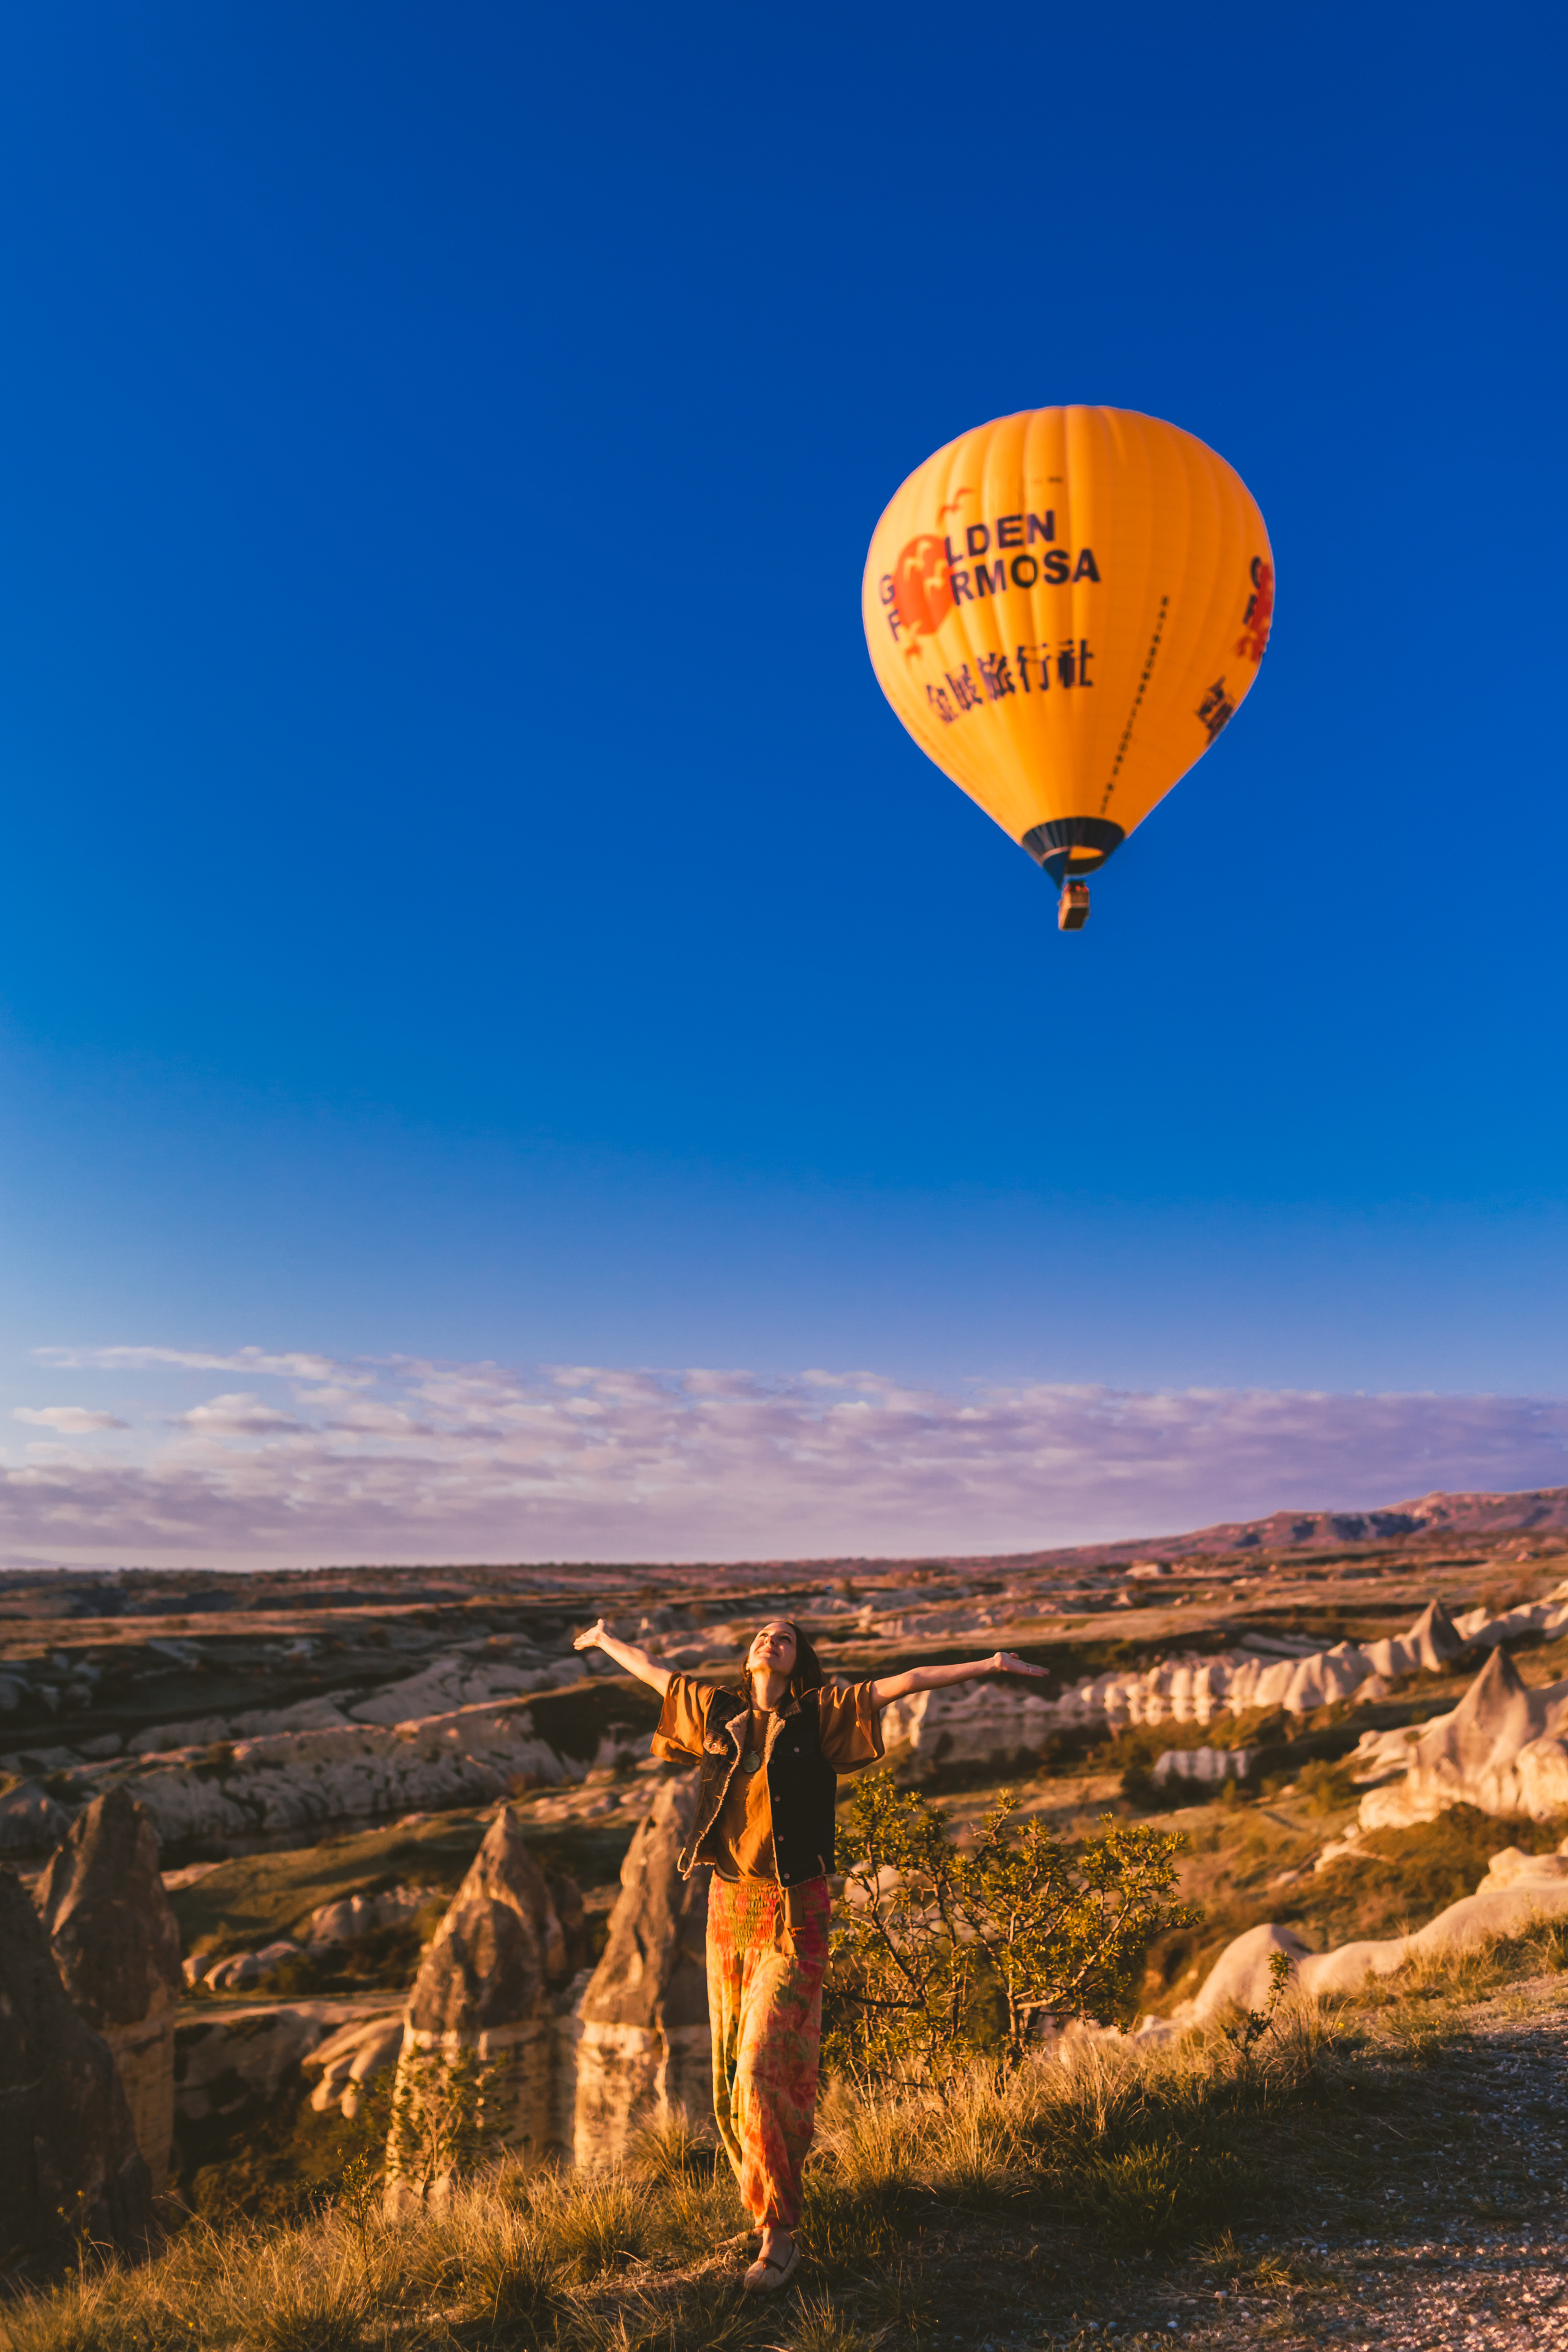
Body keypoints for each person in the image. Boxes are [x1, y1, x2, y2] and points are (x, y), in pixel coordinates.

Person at [573, 1612, 1046, 2293]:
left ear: (799, 1661)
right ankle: (763, 2201)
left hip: (795, 1910)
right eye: (763, 1633)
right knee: (729, 2077)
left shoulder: (819, 1714)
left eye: (786, 1637)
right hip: (727, 1909)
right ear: (749, 1654)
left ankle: (780, 2236)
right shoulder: (717, 1712)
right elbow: (655, 1674)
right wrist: (603, 1641)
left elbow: (904, 1682)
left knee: (766, 2067)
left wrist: (989, 1665)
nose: (772, 1638)